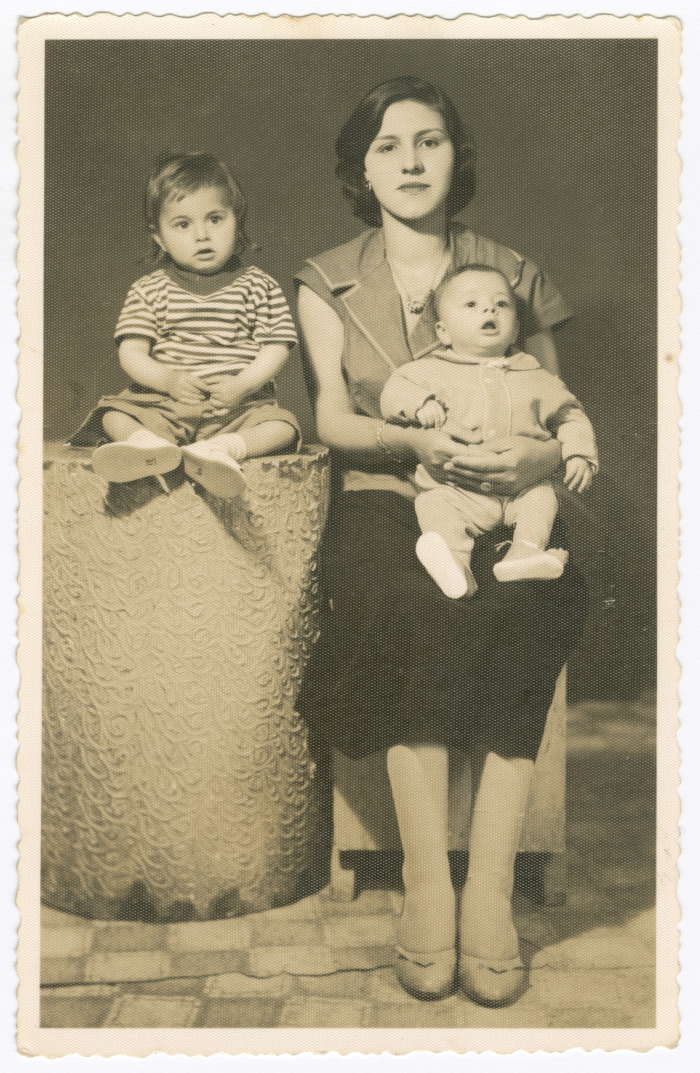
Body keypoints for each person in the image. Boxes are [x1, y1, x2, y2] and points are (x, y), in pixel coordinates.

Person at [295, 76, 588, 1007]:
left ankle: (490, 894)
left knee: (533, 596)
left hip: (508, 495)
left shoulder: (514, 270)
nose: (411, 160)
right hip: (390, 494)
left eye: (430, 141)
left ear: (459, 158)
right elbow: (336, 422)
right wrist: (419, 442)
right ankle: (429, 884)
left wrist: (531, 459)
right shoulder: (324, 278)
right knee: (396, 599)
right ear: (361, 168)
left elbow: (557, 407)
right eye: (387, 145)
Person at [72, 152, 300, 498]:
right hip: (163, 405)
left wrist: (242, 384)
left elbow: (276, 347)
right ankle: (147, 446)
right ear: (160, 237)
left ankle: (222, 450)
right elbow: (131, 352)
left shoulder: (259, 284)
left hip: (236, 409)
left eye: (215, 219)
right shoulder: (150, 288)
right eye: (183, 224)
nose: (202, 235)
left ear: (236, 221)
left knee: (282, 426)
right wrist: (168, 380)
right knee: (111, 415)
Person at [380, 264, 599, 599]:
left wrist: (579, 452)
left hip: (523, 486)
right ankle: (455, 565)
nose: (489, 309)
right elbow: (394, 391)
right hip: (457, 487)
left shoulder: (537, 376)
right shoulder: (426, 371)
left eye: (501, 304)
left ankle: (524, 552)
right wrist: (420, 403)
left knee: (542, 500)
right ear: (443, 331)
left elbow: (570, 416)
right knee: (434, 506)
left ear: (514, 329)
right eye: (471, 305)